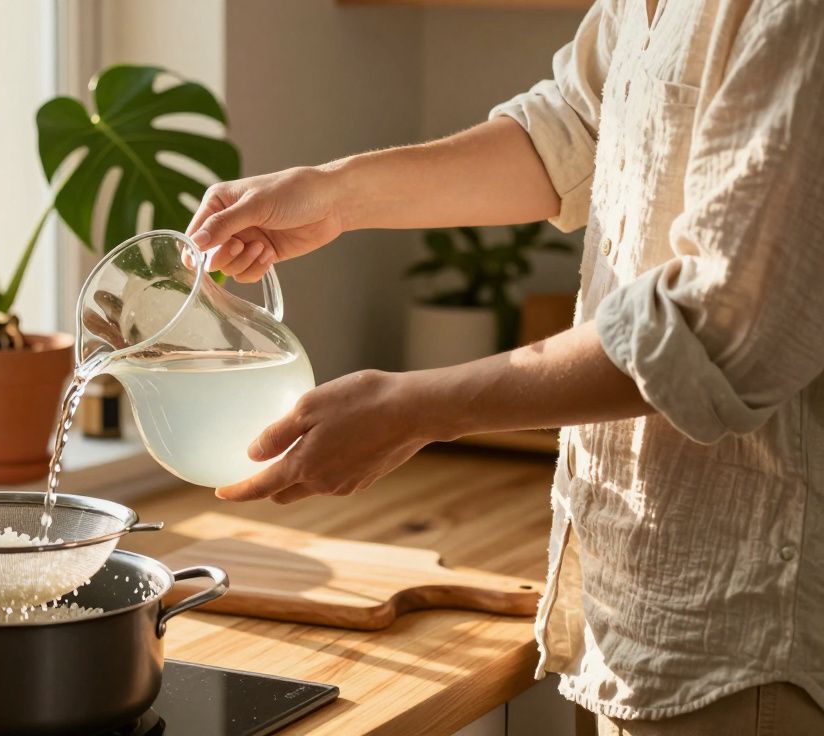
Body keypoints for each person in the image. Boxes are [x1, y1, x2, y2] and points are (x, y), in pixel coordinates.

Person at [186, 1, 824, 734]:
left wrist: (416, 408)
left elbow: (716, 328)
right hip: (625, 610)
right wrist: (334, 192)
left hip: (745, 636)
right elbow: (567, 132)